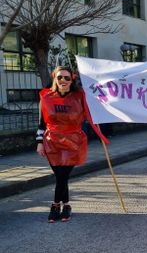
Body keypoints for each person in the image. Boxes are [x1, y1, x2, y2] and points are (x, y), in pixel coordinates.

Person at [36, 66, 107, 223]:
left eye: (67, 78)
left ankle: (55, 205)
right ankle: (66, 205)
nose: (63, 80)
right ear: (55, 78)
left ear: (72, 80)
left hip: (73, 142)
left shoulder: (80, 96)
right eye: (60, 77)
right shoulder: (45, 97)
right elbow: (41, 123)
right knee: (61, 176)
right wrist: (39, 142)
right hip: (51, 143)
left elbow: (96, 106)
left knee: (62, 176)